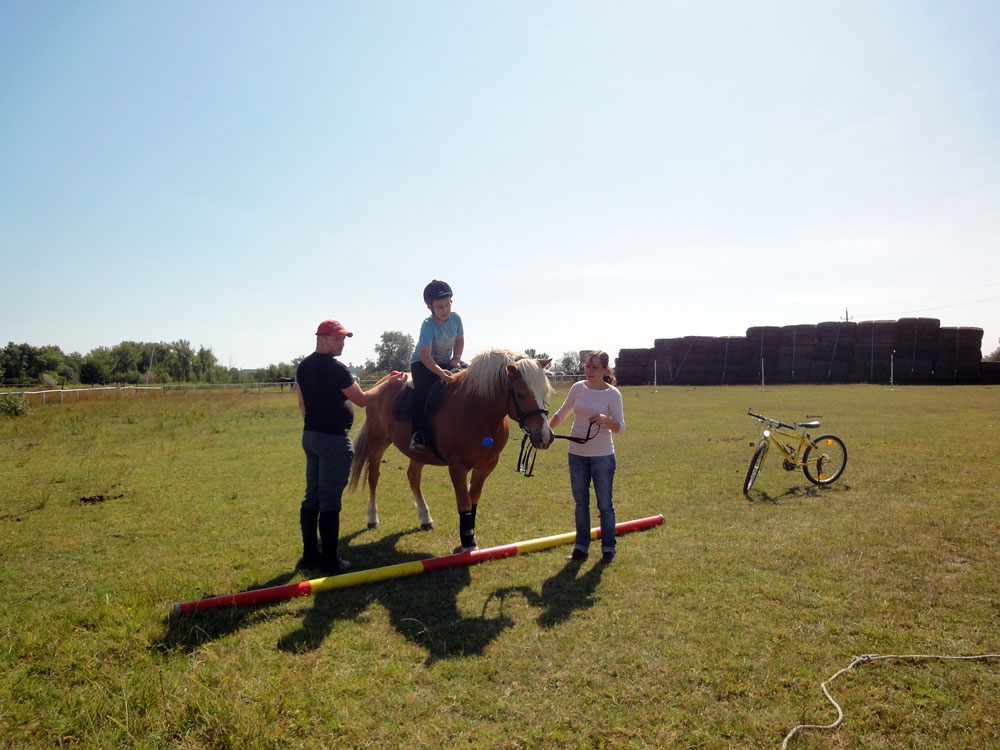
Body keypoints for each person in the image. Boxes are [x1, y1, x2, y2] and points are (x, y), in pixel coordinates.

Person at [296, 319, 406, 575]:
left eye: (343, 339)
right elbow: (363, 399)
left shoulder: (303, 367)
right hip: (333, 440)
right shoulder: (336, 369)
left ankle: (310, 554)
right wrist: (389, 383)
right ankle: (331, 561)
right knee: (330, 501)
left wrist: (313, 424)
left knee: (311, 496)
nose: (342, 343)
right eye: (337, 339)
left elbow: (302, 403)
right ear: (321, 338)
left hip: (310, 437)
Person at [547, 350, 625, 564]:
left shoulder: (612, 394)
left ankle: (608, 548)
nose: (589, 371)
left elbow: (620, 427)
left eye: (595, 367)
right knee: (581, 503)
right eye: (587, 366)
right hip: (577, 455)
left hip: (602, 456)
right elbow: (562, 412)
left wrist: (604, 420)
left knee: (605, 505)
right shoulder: (577, 388)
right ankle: (581, 546)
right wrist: (546, 430)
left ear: (605, 370)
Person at [408, 279, 464, 451]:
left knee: (470, 378)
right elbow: (425, 354)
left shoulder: (456, 319)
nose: (445, 310)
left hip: (445, 362)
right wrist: (440, 372)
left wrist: (457, 358)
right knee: (422, 392)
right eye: (440, 307)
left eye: (447, 305)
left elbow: (459, 340)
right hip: (422, 364)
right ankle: (417, 434)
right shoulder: (427, 325)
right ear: (430, 307)